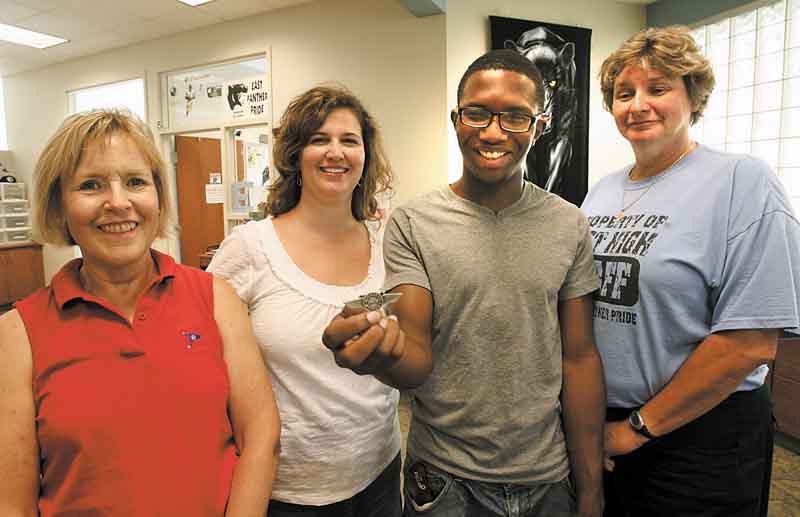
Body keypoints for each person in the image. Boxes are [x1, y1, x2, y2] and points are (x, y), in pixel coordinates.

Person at [323, 49, 606, 517]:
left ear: (541, 124)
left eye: (515, 117)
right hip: (444, 480)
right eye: (477, 113)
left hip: (547, 476)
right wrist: (380, 354)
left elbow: (579, 360)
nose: (493, 132)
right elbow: (415, 357)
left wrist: (591, 487)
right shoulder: (414, 223)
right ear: (456, 119)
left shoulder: (568, 224)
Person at [0, 109, 281, 516]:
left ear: (159, 197)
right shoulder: (18, 333)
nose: (118, 202)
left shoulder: (215, 298)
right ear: (59, 206)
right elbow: (12, 502)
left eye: (135, 182)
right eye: (91, 185)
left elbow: (260, 434)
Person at [581, 26, 800, 517]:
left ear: (693, 98)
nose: (638, 104)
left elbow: (749, 342)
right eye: (624, 93)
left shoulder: (743, 181)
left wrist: (637, 428)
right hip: (609, 429)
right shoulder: (601, 192)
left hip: (700, 437)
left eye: (658, 89)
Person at [207, 85, 401, 517]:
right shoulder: (249, 247)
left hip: (380, 475)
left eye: (349, 140)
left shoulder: (387, 244)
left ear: (365, 155)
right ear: (296, 155)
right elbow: (204, 354)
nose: (335, 152)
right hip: (290, 490)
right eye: (319, 139)